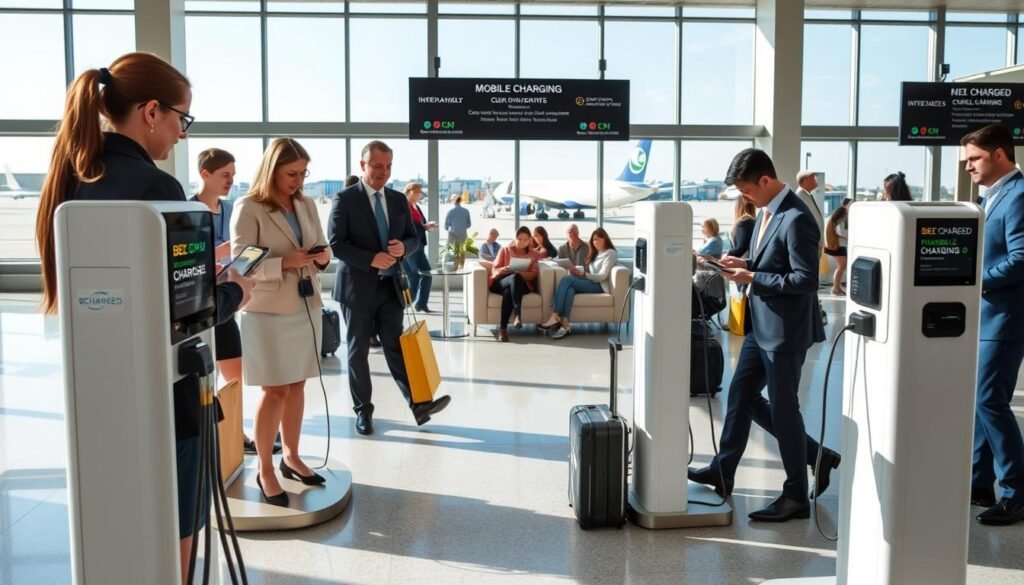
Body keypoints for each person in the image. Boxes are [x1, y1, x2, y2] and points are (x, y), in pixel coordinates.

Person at [33, 52, 254, 584]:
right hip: (168, 399)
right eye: (182, 118)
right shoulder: (158, 190)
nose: (182, 132)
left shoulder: (77, 182)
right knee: (175, 523)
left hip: (99, 393)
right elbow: (188, 312)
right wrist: (234, 292)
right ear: (152, 111)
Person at [687, 148, 826, 522]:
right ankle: (724, 470)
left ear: (765, 180)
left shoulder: (797, 217)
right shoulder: (768, 211)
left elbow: (806, 280)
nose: (744, 198)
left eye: (746, 190)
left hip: (784, 331)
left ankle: (796, 494)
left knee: (783, 410)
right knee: (741, 394)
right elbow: (774, 261)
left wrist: (752, 277)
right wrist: (744, 263)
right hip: (760, 325)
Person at [231, 138, 332, 506]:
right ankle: (264, 468)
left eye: (303, 173)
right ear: (272, 170)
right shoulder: (249, 207)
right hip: (268, 312)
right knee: (274, 390)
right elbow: (241, 264)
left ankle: (291, 456)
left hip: (305, 305)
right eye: (292, 173)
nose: (299, 180)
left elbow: (323, 246)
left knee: (297, 385)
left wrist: (321, 257)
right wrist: (284, 263)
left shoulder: (306, 204)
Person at [327, 140, 451, 436]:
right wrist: (371, 258)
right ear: (363, 165)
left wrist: (403, 248)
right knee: (358, 351)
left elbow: (414, 238)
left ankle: (418, 405)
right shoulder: (344, 199)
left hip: (390, 287)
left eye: (388, 166)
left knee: (397, 347)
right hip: (357, 289)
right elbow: (336, 244)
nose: (384, 172)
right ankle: (363, 411)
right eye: (377, 166)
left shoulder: (397, 200)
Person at [962, 124, 1024, 526]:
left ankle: (1017, 493)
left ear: (1000, 154)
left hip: (1005, 318)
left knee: (990, 400)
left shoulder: (1018, 195)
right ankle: (979, 483)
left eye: (974, 159)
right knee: (979, 400)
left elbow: (1021, 257)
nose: (968, 167)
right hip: (986, 316)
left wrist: (976, 281)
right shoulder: (992, 196)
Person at [540, 227, 618, 341]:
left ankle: (555, 314)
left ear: (605, 238)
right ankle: (565, 324)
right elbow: (592, 271)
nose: (595, 242)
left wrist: (583, 274)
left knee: (566, 280)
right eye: (594, 240)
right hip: (591, 281)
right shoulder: (597, 253)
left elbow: (602, 276)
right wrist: (579, 272)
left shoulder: (610, 253)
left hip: (600, 285)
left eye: (598, 239)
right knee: (570, 289)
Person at [488, 226, 539, 341]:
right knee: (513, 278)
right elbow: (494, 269)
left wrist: (521, 274)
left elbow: (534, 274)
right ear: (515, 238)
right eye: (519, 239)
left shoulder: (533, 254)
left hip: (521, 284)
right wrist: (503, 269)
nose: (522, 242)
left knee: (510, 288)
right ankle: (517, 315)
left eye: (525, 240)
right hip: (501, 282)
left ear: (529, 240)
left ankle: (502, 330)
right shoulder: (505, 250)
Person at [403, 182, 434, 313]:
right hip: (410, 246)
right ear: (409, 191)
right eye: (416, 192)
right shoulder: (404, 206)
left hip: (419, 244)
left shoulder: (416, 206)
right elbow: (407, 226)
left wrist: (426, 226)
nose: (419, 195)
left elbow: (419, 224)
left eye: (420, 192)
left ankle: (419, 303)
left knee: (424, 274)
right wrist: (423, 226)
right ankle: (406, 304)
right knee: (416, 275)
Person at [795, 170, 824, 246]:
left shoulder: (806, 195)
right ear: (804, 180)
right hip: (808, 242)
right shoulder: (799, 196)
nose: (816, 179)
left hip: (814, 242)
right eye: (813, 177)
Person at [824, 206, 848, 295]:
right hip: (838, 247)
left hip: (837, 246)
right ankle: (835, 288)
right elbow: (842, 233)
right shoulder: (839, 222)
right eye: (846, 214)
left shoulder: (834, 221)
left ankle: (837, 287)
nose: (847, 215)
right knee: (841, 267)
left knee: (841, 267)